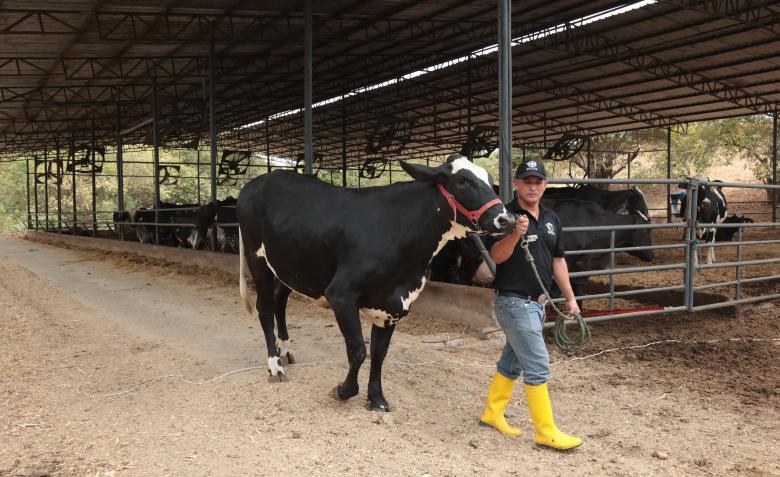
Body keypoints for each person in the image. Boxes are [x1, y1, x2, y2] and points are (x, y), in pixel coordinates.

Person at [478, 159, 583, 450]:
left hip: (538, 304)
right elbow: (495, 257)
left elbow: (558, 260)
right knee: (537, 365)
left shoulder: (551, 218)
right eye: (527, 181)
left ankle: (492, 413)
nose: (533, 186)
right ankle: (545, 432)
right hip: (513, 302)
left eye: (538, 181)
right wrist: (515, 234)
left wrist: (570, 298)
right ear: (516, 184)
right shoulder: (505, 216)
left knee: (512, 362)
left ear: (545, 185)